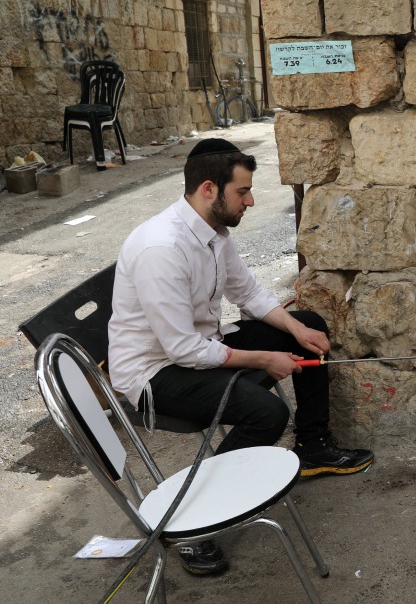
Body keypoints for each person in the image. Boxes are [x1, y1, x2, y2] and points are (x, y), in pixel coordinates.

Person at [108, 138, 373, 575]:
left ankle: (312, 446)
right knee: (265, 414)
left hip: (199, 348)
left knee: (311, 328)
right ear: (209, 189)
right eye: (243, 192)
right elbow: (183, 350)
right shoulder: (162, 249)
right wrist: (264, 361)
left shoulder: (214, 233)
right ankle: (191, 527)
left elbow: (247, 292)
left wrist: (296, 329)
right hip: (156, 375)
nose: (250, 201)